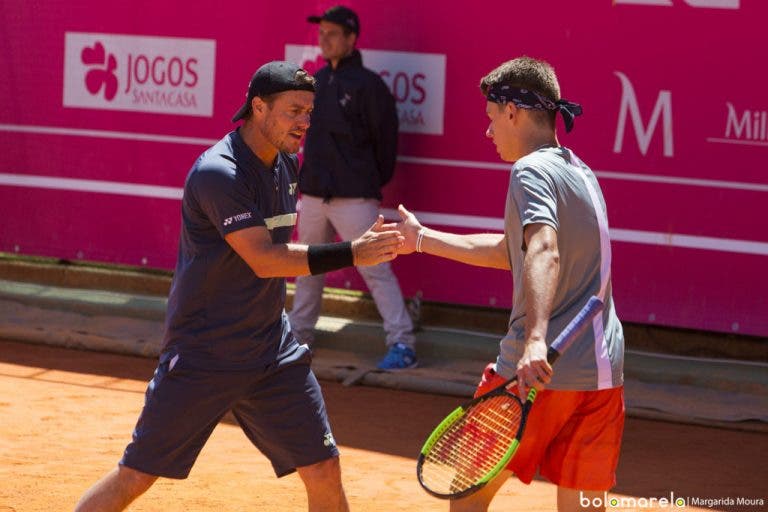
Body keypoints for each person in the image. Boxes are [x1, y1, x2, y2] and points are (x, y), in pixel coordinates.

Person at [74, 61, 404, 512]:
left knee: (324, 469)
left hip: (272, 351)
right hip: (204, 354)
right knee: (135, 476)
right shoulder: (219, 173)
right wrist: (353, 252)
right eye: (294, 111)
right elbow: (265, 260)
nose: (305, 122)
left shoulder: (287, 164)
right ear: (258, 108)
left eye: (309, 111)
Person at [395, 56, 625, 512]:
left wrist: (536, 340)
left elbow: (543, 250)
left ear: (513, 112)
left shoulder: (529, 171)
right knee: (584, 505)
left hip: (536, 370)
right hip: (602, 372)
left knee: (468, 492)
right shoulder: (580, 172)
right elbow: (513, 252)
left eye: (491, 117)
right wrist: (420, 239)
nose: (488, 131)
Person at [290, 5, 417, 370]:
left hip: (354, 198)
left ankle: (403, 344)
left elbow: (385, 144)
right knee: (307, 268)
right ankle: (298, 340)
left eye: (332, 33)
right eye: (322, 32)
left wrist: (364, 184)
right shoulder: (313, 82)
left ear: (350, 39)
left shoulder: (369, 86)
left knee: (376, 269)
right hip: (313, 195)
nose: (324, 39)